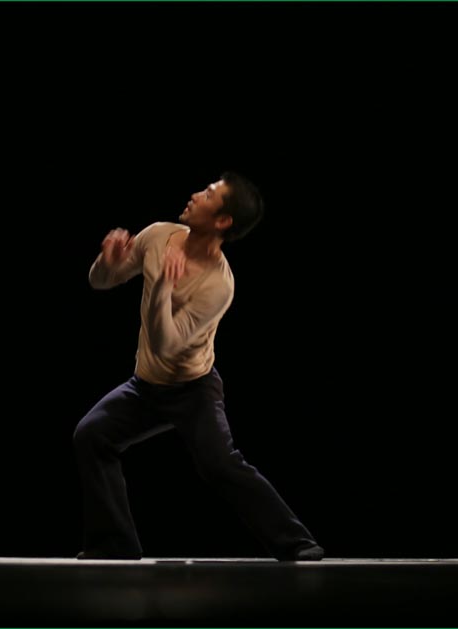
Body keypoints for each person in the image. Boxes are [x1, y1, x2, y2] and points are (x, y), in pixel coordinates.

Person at [73, 171, 324, 561]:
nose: (194, 195)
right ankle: (114, 545)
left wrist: (162, 285)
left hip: (193, 390)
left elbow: (167, 345)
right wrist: (107, 264)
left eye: (207, 195)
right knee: (92, 435)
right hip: (145, 386)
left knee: (220, 464)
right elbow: (101, 281)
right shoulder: (159, 235)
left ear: (223, 220)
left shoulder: (218, 286)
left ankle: (295, 542)